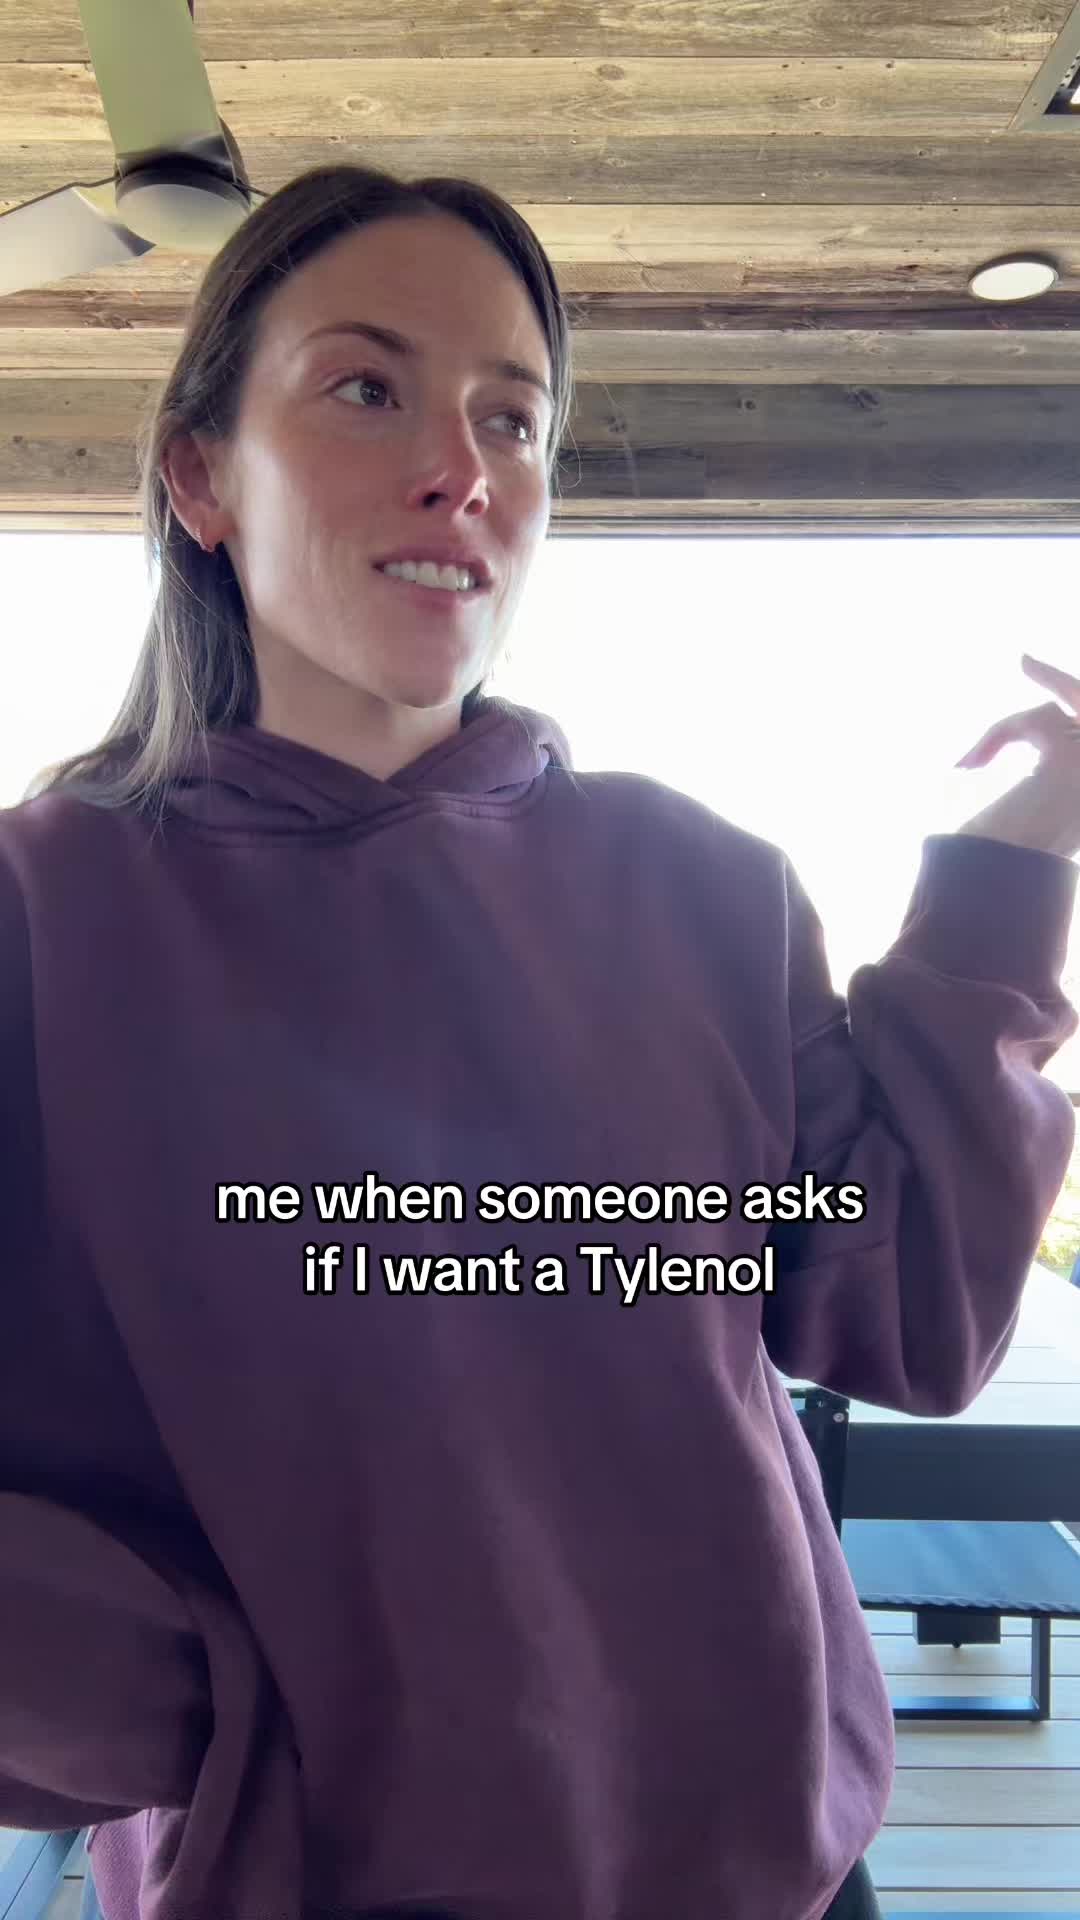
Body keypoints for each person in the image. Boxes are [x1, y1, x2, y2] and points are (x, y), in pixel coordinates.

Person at [3, 162, 1079, 1920]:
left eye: (515, 418)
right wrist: (213, 1713)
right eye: (368, 389)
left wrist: (1013, 873)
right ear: (200, 478)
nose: (465, 468)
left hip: (772, 1876)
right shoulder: (43, 922)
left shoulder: (704, 885)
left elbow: (907, 1311)